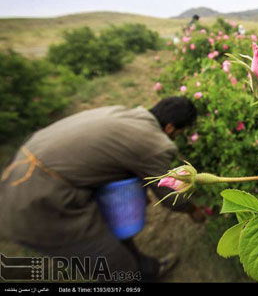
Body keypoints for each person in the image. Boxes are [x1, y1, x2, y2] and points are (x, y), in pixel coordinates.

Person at [0, 97, 202, 281]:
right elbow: (169, 196)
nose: (177, 136)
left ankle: (150, 270)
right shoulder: (156, 144)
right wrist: (192, 210)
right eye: (179, 132)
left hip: (22, 174)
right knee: (110, 259)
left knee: (111, 233)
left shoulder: (124, 113)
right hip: (37, 203)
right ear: (169, 128)